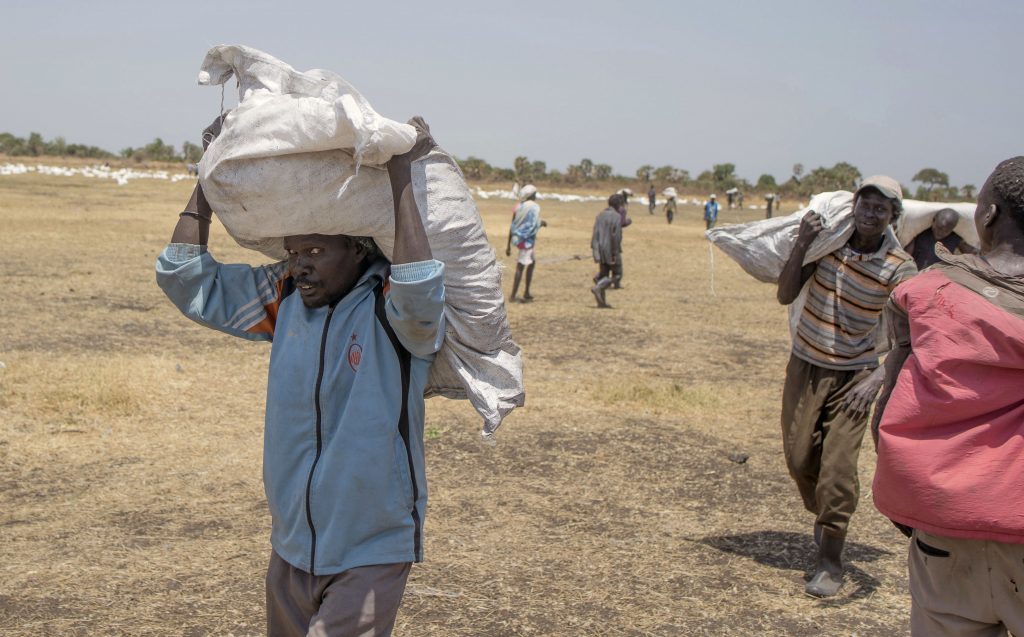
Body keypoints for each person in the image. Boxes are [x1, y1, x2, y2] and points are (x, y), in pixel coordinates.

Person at [156, 116, 446, 636]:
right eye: (292, 252)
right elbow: (184, 276)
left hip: (369, 549)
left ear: (358, 248)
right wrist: (208, 171)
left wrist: (401, 171)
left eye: (315, 251)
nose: (300, 266)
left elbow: (421, 284)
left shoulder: (392, 312)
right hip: (291, 546)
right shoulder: (283, 297)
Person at [871, 157, 1024, 636]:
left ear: (988, 215)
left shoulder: (927, 293)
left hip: (944, 530)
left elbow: (888, 413)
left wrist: (918, 510)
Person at [775, 175, 917, 597]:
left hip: (855, 376)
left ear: (893, 217)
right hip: (805, 364)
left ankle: (830, 559)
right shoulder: (828, 245)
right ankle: (826, 517)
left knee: (837, 468)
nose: (870, 214)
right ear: (854, 206)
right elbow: (785, 295)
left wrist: (876, 379)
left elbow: (910, 337)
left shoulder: (899, 266)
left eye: (881, 209)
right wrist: (802, 243)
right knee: (800, 458)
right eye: (865, 204)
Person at [505, 184, 545, 302]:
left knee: (531, 263)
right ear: (532, 195)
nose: (536, 196)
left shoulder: (518, 207)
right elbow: (533, 224)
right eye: (535, 194)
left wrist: (508, 246)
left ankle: (527, 291)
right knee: (521, 266)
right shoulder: (534, 207)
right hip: (526, 241)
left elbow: (512, 226)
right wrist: (541, 224)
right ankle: (513, 295)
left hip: (518, 239)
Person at [903, 207, 977, 270]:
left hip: (938, 277)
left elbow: (972, 254)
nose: (940, 233)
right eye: (939, 228)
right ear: (934, 220)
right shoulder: (920, 234)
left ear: (952, 229)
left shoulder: (954, 238)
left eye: (946, 231)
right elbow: (906, 257)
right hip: (915, 274)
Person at [590, 193, 624, 308]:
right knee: (617, 275)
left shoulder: (600, 215)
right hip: (611, 250)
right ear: (619, 204)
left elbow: (595, 234)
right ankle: (598, 286)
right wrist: (615, 253)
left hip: (601, 250)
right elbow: (616, 237)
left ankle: (602, 302)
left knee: (605, 273)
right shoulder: (617, 217)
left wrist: (595, 251)